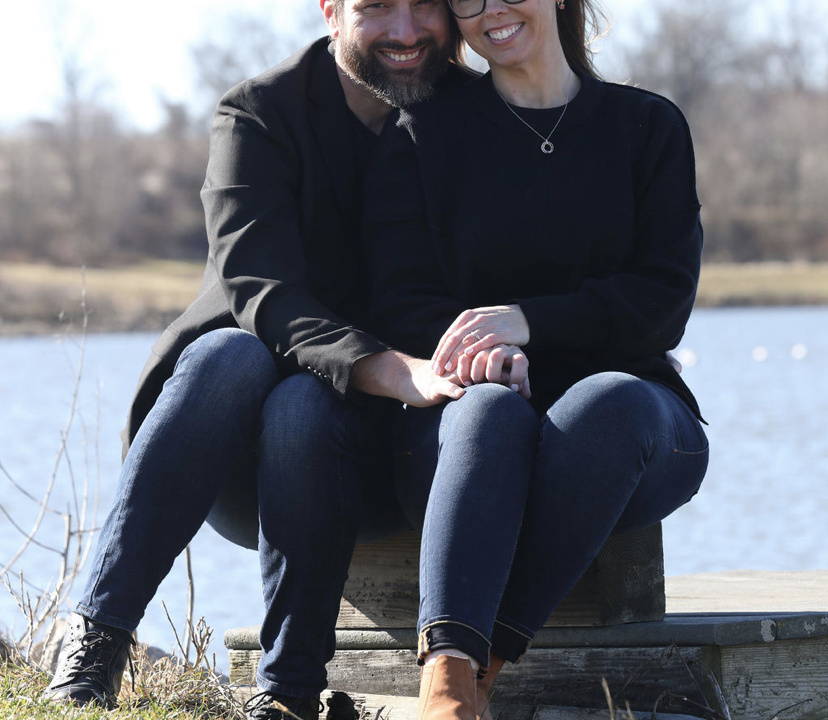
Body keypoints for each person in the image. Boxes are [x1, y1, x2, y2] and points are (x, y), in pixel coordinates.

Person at [44, 2, 479, 719]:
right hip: (235, 459)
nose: (405, 31)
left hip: (398, 459)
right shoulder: (259, 113)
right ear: (332, 11)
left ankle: (287, 695)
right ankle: (96, 638)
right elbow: (261, 288)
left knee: (304, 404)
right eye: (376, 6)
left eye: (423, 3)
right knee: (230, 355)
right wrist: (388, 367)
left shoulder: (477, 113)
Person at [358, 0, 711, 718]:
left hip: (631, 436)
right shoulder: (423, 134)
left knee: (609, 400)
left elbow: (663, 301)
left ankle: (477, 674)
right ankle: (450, 685)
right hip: (465, 429)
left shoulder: (647, 126)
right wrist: (484, 353)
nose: (490, 10)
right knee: (488, 412)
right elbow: (399, 298)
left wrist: (527, 324)